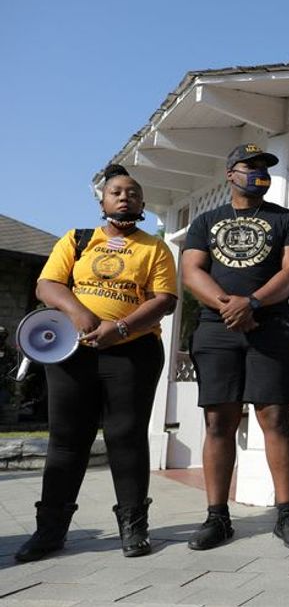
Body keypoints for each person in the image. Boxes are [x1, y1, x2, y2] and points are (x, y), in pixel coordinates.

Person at [16, 165, 177, 561]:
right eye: (117, 192)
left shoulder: (154, 248)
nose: (125, 197)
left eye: (134, 193)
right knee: (67, 441)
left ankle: (134, 528)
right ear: (103, 200)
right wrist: (79, 314)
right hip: (73, 353)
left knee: (126, 437)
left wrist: (120, 328)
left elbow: (164, 300)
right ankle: (50, 531)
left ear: (142, 204)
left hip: (133, 353)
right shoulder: (77, 239)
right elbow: (47, 285)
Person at [181, 143, 289, 550]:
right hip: (216, 329)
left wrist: (253, 302)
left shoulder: (287, 219)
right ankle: (217, 518)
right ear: (229, 174)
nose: (257, 173)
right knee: (219, 421)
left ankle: (286, 515)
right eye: (249, 166)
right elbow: (191, 271)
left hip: (271, 327)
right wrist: (228, 307)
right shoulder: (206, 221)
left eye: (264, 168)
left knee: (275, 418)